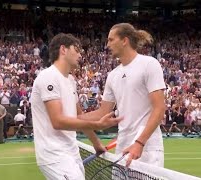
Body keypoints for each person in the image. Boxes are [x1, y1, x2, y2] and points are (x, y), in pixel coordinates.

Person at [30, 33, 122, 180]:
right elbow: (58, 122)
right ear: (63, 50)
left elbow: (80, 118)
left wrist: (96, 143)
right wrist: (97, 124)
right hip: (54, 156)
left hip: (71, 153)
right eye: (77, 49)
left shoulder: (71, 80)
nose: (81, 54)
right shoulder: (48, 77)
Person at [79, 23, 166, 167]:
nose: (107, 45)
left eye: (111, 40)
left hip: (147, 148)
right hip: (122, 149)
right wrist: (66, 120)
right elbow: (102, 112)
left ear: (124, 40)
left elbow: (159, 108)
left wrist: (139, 143)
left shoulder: (149, 64)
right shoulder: (112, 75)